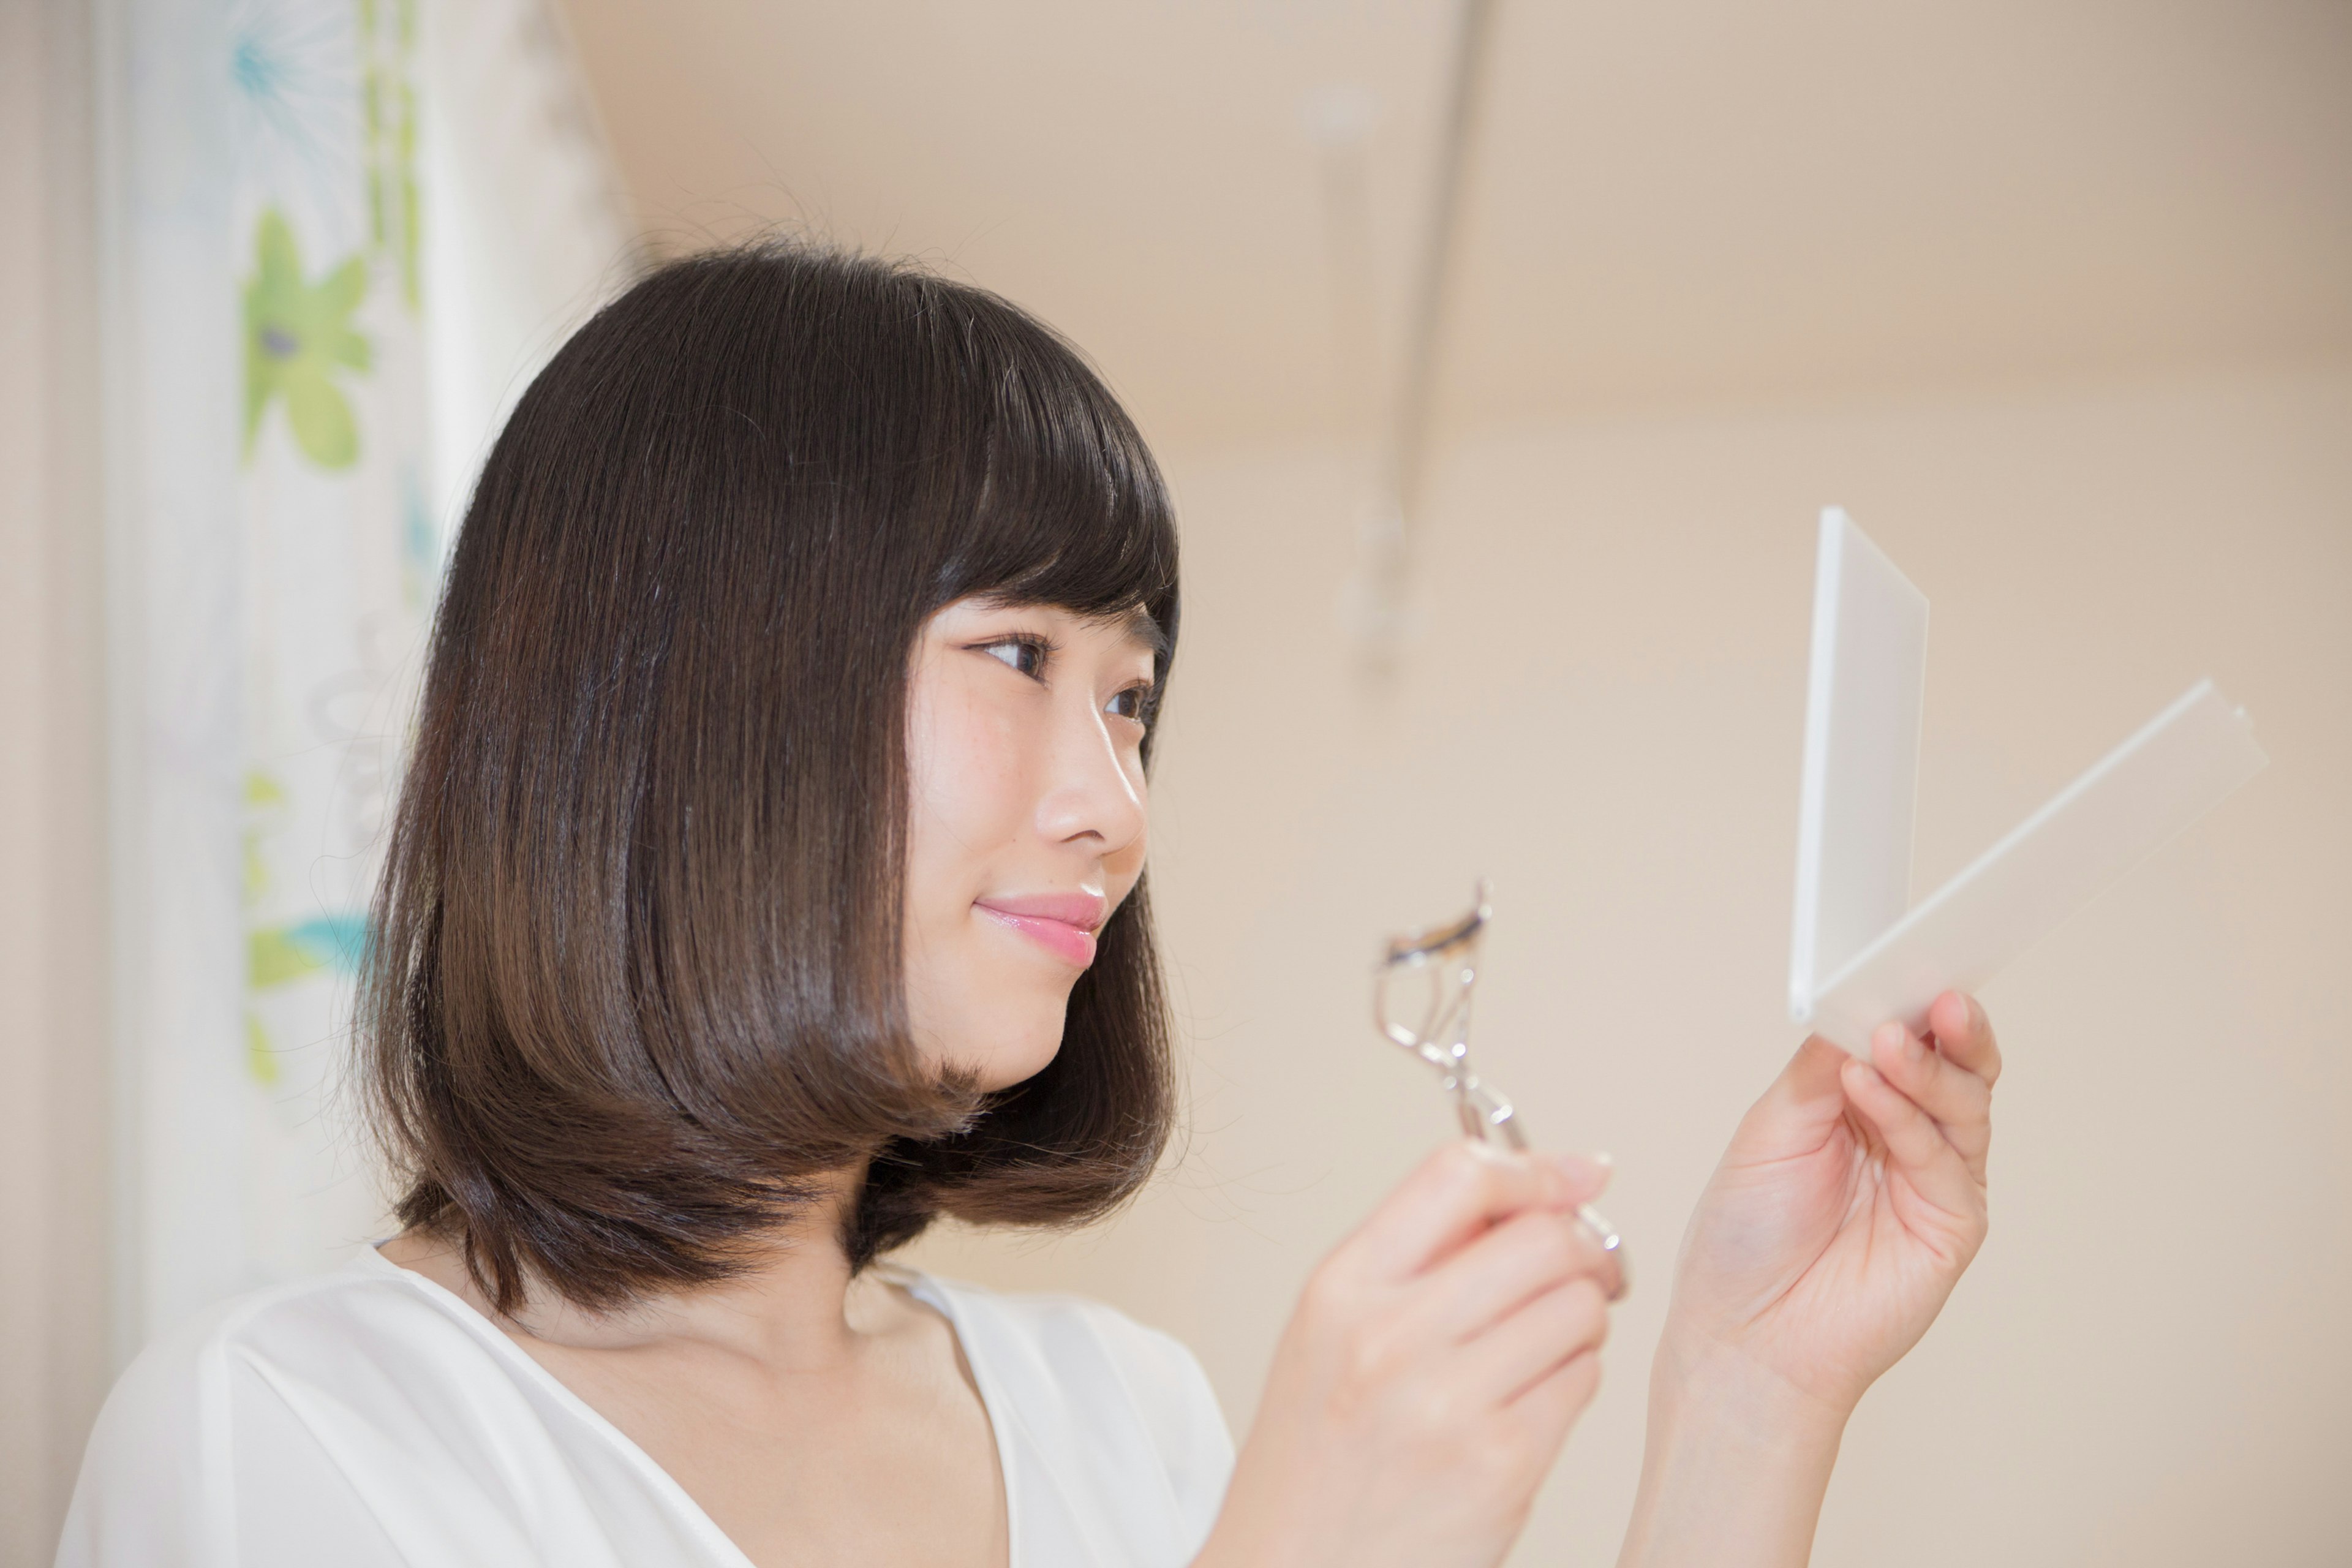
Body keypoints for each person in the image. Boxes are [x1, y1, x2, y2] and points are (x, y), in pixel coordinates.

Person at [56, 244, 1999, 1568]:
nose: (1118, 807)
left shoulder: (1121, 1413)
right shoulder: (286, 1447)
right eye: (1015, 659)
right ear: (696, 697)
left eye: (1133, 697)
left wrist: (1749, 1395)